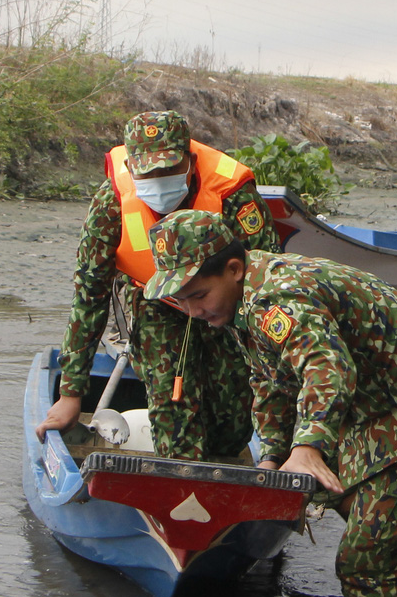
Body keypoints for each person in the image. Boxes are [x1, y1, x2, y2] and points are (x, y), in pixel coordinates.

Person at [145, 209, 397, 597]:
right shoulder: (241, 297)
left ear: (233, 268)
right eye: (182, 301)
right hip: (369, 401)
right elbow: (269, 381)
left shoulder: (275, 298)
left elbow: (327, 366)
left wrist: (307, 448)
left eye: (198, 296)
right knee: (318, 486)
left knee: (360, 570)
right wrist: (272, 456)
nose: (194, 312)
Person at [37, 111, 280, 460]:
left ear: (191, 162)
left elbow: (265, 279)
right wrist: (71, 393)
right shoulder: (111, 204)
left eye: (169, 169)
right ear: (132, 169)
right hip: (156, 302)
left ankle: (226, 464)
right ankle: (180, 470)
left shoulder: (234, 195)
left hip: (226, 304)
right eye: (147, 172)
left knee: (232, 419)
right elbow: (90, 296)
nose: (158, 179)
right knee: (173, 410)